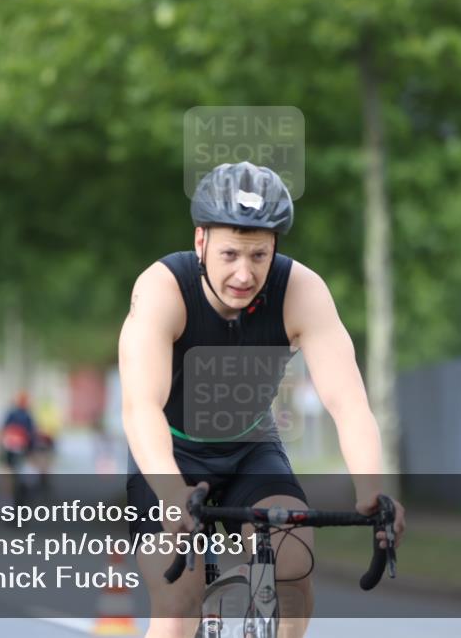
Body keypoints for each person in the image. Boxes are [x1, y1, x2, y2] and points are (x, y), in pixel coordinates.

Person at [119, 162, 406, 638]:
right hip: (170, 453)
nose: (244, 273)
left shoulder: (302, 291)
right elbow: (140, 407)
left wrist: (371, 493)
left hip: (250, 447)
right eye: (230, 253)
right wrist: (172, 498)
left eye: (259, 255)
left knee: (292, 566)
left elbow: (349, 404)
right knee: (179, 598)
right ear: (201, 242)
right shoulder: (162, 289)